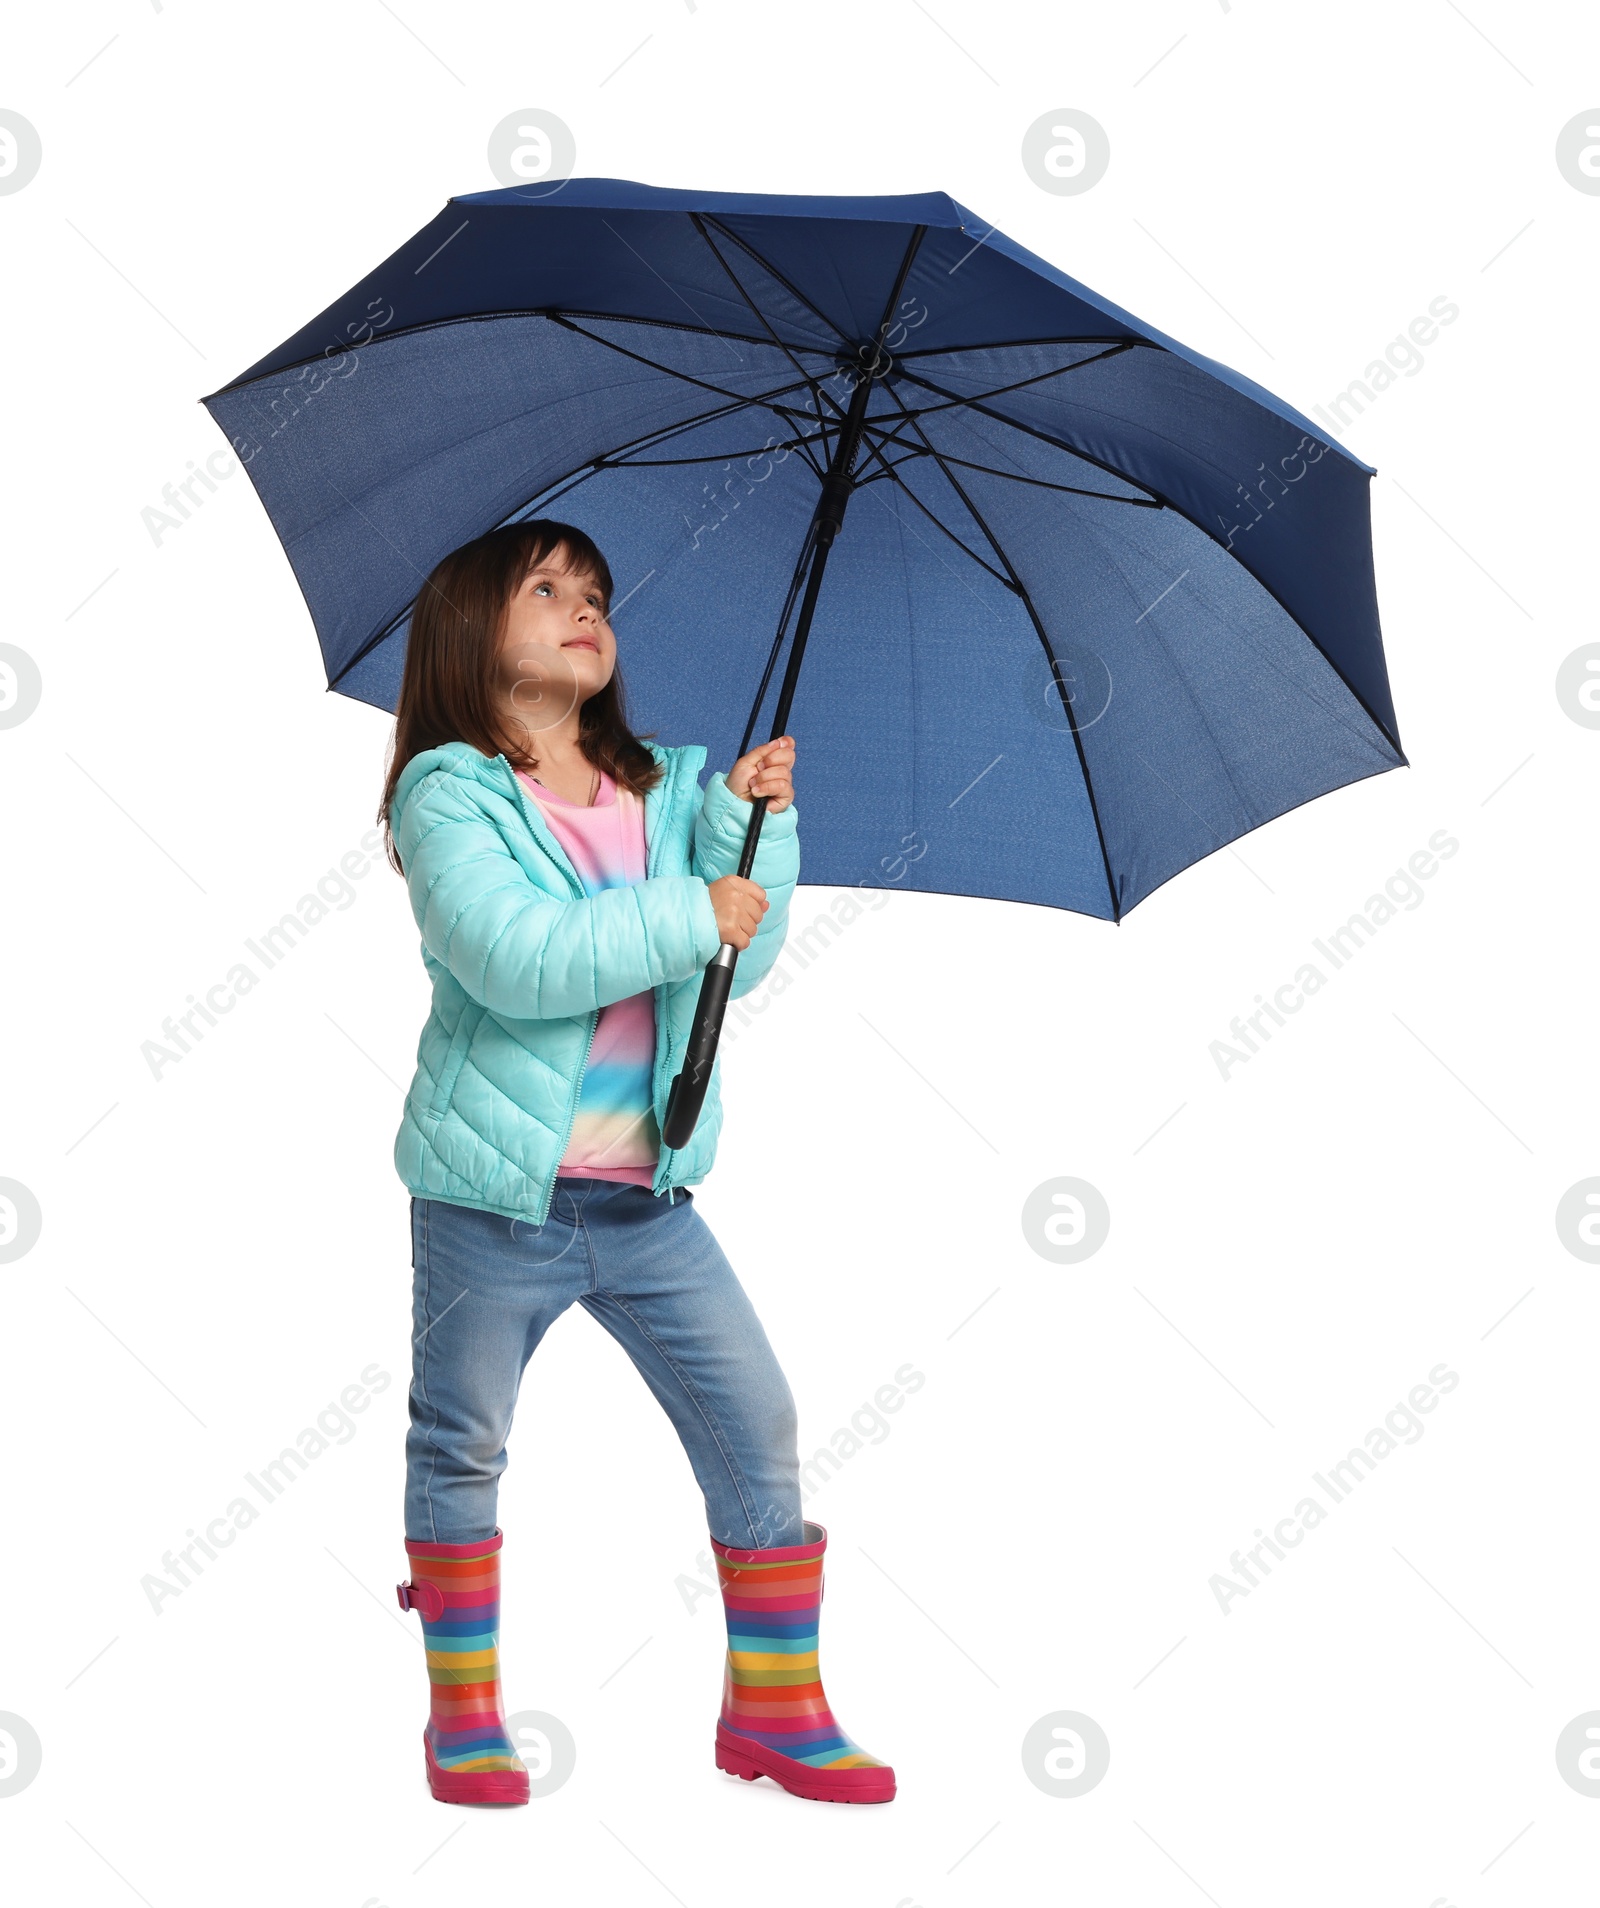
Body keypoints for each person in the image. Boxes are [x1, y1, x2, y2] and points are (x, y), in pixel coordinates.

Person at [377, 519, 895, 1808]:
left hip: (646, 1197)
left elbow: (731, 962)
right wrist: (687, 908)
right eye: (545, 589)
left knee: (757, 1417)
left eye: (598, 593)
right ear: (466, 633)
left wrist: (749, 834)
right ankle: (464, 1715)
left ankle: (774, 1711)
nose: (583, 607)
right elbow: (518, 957)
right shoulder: (450, 789)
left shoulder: (662, 790)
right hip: (493, 1202)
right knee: (464, 1441)